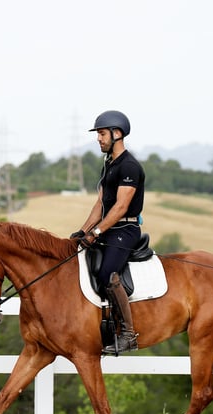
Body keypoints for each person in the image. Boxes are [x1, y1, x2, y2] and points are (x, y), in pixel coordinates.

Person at [70, 110, 145, 355]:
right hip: (109, 229)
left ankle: (127, 334)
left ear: (117, 134)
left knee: (107, 274)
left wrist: (98, 231)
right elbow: (100, 204)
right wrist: (83, 231)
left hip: (125, 229)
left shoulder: (129, 166)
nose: (99, 139)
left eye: (102, 134)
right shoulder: (109, 165)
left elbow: (121, 206)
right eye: (99, 134)